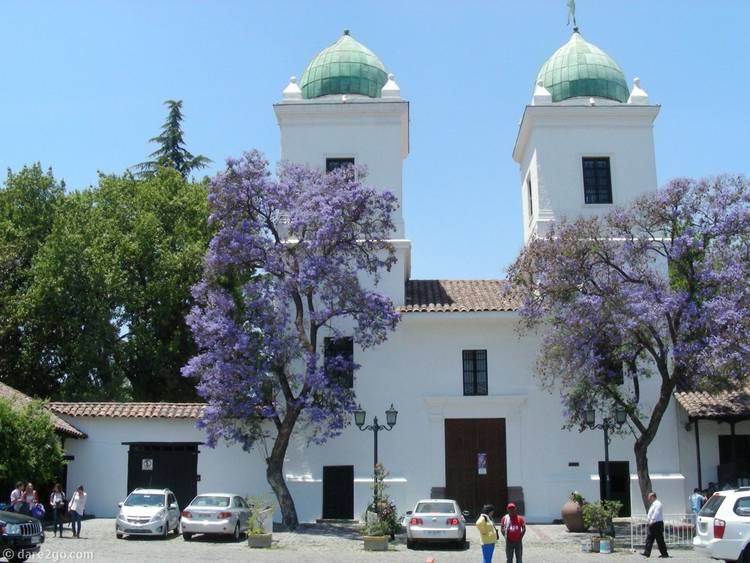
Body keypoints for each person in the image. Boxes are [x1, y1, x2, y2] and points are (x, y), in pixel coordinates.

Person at [642, 491, 669, 558]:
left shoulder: (658, 504)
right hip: (653, 524)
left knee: (659, 540)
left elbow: (656, 514)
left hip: (656, 524)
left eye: (649, 497)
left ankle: (664, 554)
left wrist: (651, 521)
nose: (648, 499)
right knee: (649, 538)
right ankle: (646, 553)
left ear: (653, 497)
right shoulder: (653, 504)